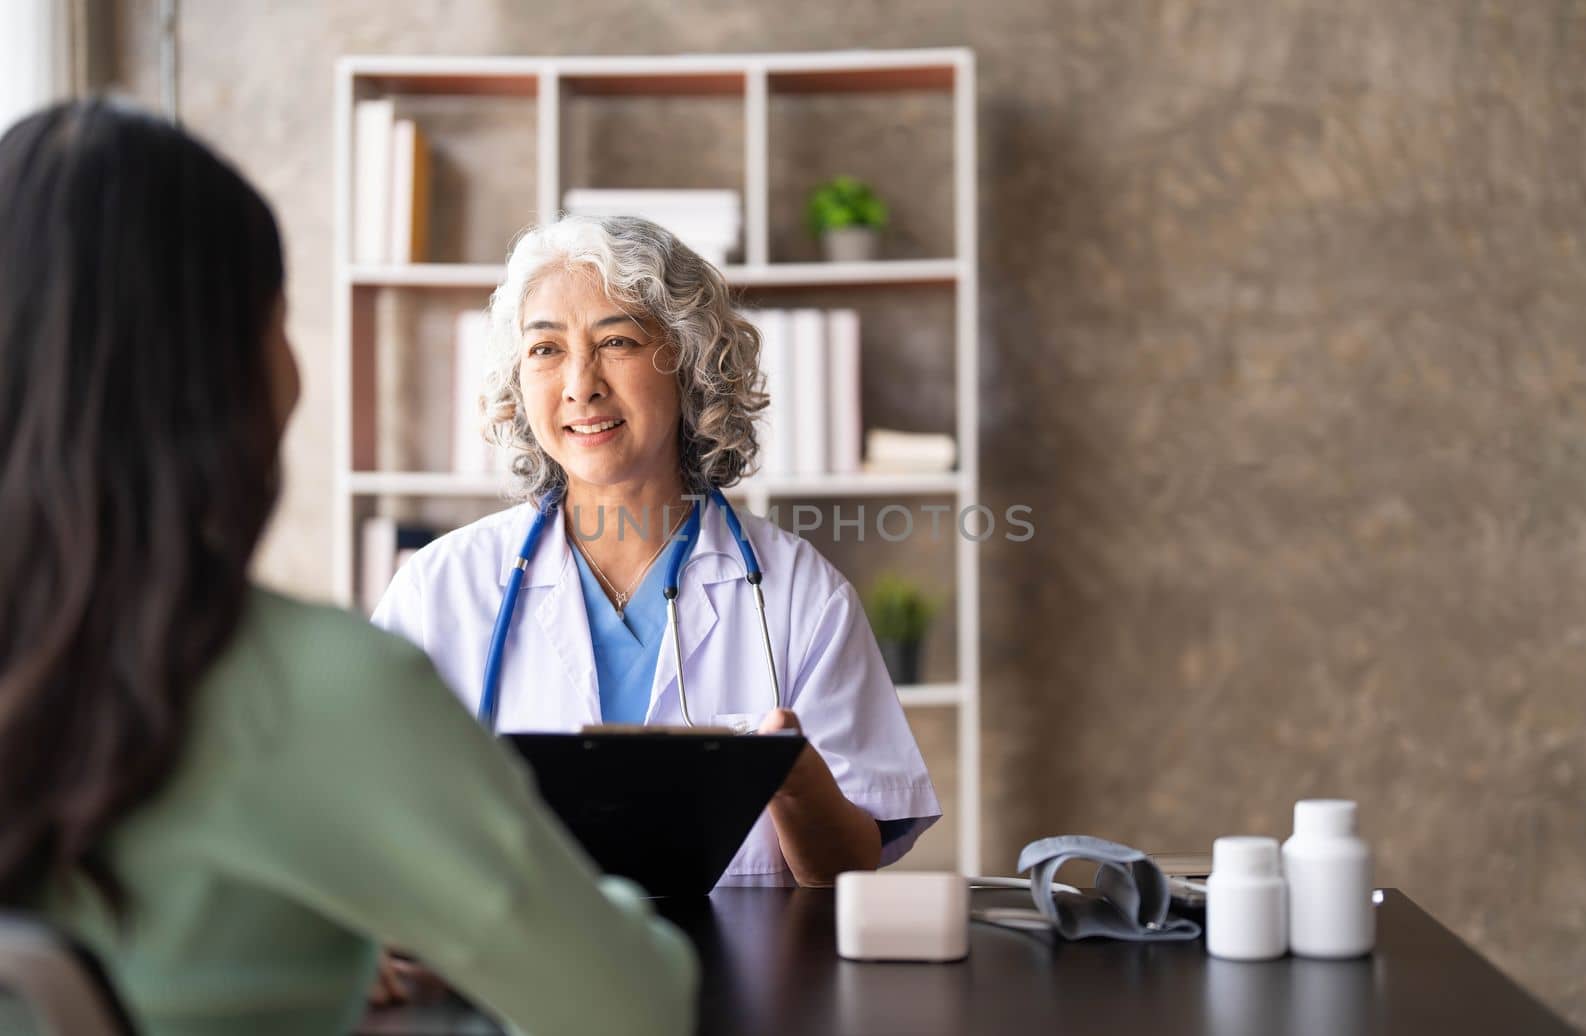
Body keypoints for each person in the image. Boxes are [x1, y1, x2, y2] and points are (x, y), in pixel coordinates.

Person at [0, 100, 695, 1036]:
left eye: (616, 341)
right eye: (280, 318)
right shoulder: (322, 689)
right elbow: (632, 1006)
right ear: (237, 369)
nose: (580, 381)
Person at [372, 215, 940, 887]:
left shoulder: (797, 595)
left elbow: (848, 869)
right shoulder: (438, 589)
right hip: (514, 976)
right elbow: (368, 823)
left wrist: (793, 777)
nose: (581, 383)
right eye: (546, 350)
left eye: (616, 341)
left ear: (690, 362)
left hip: (743, 983)